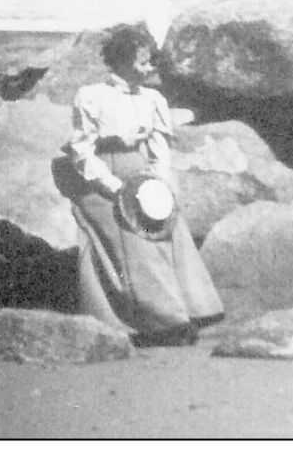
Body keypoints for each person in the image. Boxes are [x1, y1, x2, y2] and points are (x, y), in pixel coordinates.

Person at [65, 24, 223, 345]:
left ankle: (192, 309)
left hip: (143, 175)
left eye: (151, 62)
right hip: (103, 179)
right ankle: (161, 321)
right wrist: (113, 186)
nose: (150, 69)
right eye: (142, 63)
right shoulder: (92, 96)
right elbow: (82, 152)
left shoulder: (153, 99)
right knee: (131, 235)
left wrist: (158, 182)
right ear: (121, 62)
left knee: (166, 223)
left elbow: (159, 150)